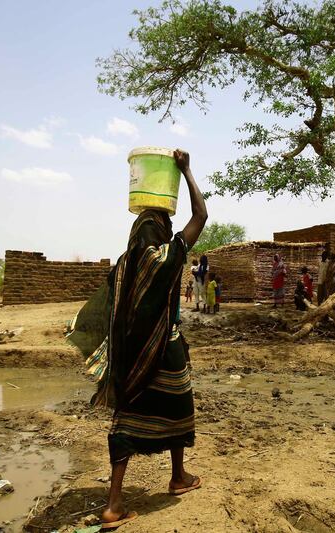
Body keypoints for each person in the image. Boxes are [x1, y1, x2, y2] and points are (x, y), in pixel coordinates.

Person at [66, 149, 207, 529]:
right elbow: (201, 215)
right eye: (163, 220)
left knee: (126, 419)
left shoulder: (125, 262)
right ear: (160, 229)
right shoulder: (168, 254)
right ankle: (178, 476)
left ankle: (114, 503)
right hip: (166, 347)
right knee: (179, 407)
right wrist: (187, 171)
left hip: (132, 354)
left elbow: (110, 310)